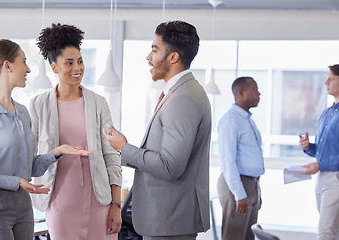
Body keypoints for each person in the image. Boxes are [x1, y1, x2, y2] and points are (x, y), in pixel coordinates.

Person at [0, 39, 91, 240]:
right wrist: (15, 182)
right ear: (7, 65)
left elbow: (29, 168)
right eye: (23, 62)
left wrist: (56, 152)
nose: (29, 69)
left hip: (23, 206)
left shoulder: (22, 112)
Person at [104, 20, 211, 240]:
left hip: (170, 220)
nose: (148, 57)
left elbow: (170, 165)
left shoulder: (183, 98)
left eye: (154, 49)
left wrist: (124, 148)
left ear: (173, 57)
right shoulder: (181, 92)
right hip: (168, 218)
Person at [30, 23, 122, 240]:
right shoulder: (38, 105)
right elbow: (29, 158)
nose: (77, 68)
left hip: (99, 201)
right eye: (69, 63)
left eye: (80, 61)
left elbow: (111, 155)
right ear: (54, 68)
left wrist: (116, 204)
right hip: (60, 202)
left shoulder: (99, 103)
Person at [299, 64, 339, 240]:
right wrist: (309, 147)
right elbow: (325, 151)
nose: (326, 82)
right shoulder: (327, 113)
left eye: (331, 78)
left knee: (325, 232)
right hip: (325, 176)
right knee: (335, 230)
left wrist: (319, 164)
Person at [216, 77, 264, 240]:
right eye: (255, 89)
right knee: (234, 237)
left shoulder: (248, 121)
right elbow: (228, 161)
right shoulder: (230, 120)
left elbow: (252, 160)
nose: (259, 93)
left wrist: (257, 192)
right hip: (237, 185)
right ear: (241, 93)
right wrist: (239, 194)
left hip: (251, 184)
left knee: (249, 236)